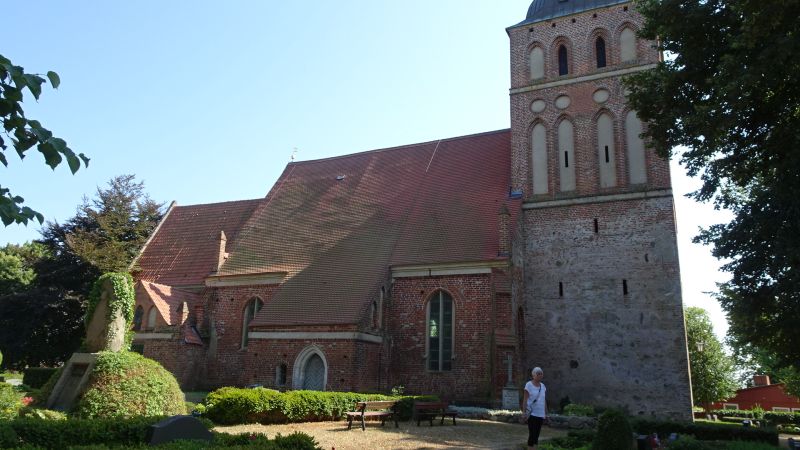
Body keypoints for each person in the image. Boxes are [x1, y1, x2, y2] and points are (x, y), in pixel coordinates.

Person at [520, 367, 547, 450]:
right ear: (533, 375)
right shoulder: (529, 385)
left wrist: (546, 413)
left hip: (540, 414)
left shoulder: (543, 386)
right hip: (532, 414)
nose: (540, 375)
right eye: (538, 374)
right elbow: (525, 399)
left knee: (537, 435)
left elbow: (544, 400)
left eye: (541, 373)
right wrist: (524, 412)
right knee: (532, 434)